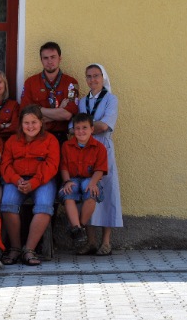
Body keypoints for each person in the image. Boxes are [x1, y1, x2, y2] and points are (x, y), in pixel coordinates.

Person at [0, 105, 59, 266]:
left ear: (41, 122)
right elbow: (5, 165)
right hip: (17, 180)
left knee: (44, 207)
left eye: (34, 122)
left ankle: (29, 249)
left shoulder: (50, 140)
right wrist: (16, 179)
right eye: (26, 123)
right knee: (7, 204)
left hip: (42, 180)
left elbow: (52, 165)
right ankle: (15, 248)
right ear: (21, 124)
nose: (30, 126)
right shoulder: (12, 141)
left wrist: (34, 182)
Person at [75, 63, 122, 256]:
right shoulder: (82, 102)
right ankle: (91, 241)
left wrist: (83, 129)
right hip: (85, 151)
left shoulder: (111, 99)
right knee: (87, 191)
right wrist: (85, 129)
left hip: (103, 149)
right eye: (89, 76)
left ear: (103, 77)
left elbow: (105, 126)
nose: (92, 79)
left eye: (96, 75)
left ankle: (106, 242)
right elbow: (75, 126)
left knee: (106, 193)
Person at [58, 113, 107, 252]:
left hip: (90, 179)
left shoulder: (99, 147)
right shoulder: (66, 146)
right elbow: (64, 167)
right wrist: (67, 181)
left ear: (92, 129)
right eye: (77, 128)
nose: (81, 131)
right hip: (72, 178)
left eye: (84, 127)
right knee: (68, 192)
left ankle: (80, 226)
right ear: (73, 130)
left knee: (91, 190)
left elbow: (100, 169)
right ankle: (77, 228)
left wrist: (93, 183)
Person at [20, 42, 79, 145]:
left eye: (53, 57)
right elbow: (26, 116)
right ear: (41, 60)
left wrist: (38, 109)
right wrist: (59, 110)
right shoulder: (30, 82)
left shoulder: (71, 83)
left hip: (60, 137)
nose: (50, 61)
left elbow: (67, 115)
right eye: (46, 58)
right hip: (36, 136)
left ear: (60, 58)